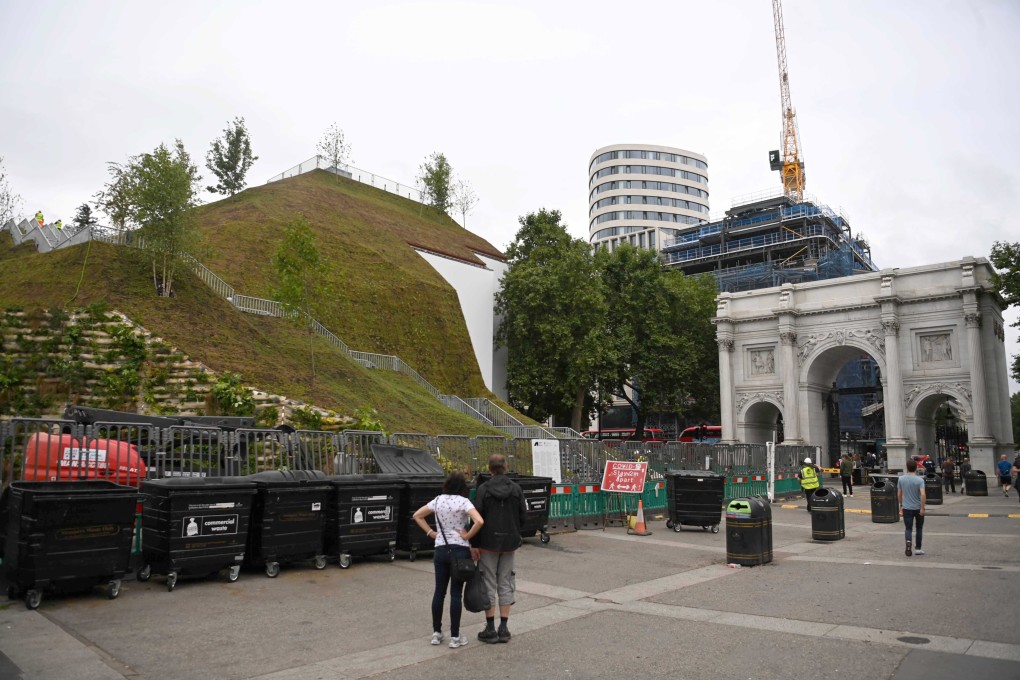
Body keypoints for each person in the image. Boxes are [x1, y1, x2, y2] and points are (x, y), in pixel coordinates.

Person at [412, 471, 484, 649]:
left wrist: (431, 533)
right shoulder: (463, 502)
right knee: (455, 594)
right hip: (459, 550)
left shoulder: (437, 500)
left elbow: (417, 515)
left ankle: (437, 633)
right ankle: (455, 636)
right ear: (462, 486)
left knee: (439, 592)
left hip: (440, 549)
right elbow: (479, 521)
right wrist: (467, 536)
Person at [471, 453, 527, 644]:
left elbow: (476, 519)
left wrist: (475, 545)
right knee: (506, 582)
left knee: (488, 583)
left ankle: (490, 628)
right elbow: (523, 516)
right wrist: (516, 534)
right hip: (509, 544)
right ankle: (504, 627)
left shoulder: (483, 489)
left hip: (487, 544)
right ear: (506, 466)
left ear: (489, 469)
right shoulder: (516, 489)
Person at [898, 458, 927, 556]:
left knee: (908, 528)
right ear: (916, 468)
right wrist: (922, 508)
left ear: (907, 468)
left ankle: (908, 542)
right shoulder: (920, 480)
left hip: (906, 507)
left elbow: (899, 494)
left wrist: (901, 504)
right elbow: (923, 494)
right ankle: (918, 548)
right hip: (918, 507)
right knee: (919, 527)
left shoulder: (901, 479)